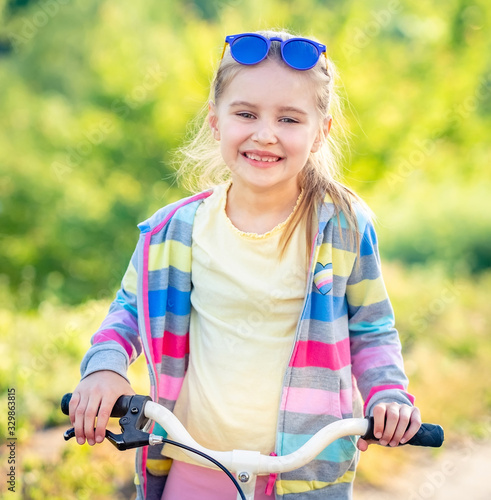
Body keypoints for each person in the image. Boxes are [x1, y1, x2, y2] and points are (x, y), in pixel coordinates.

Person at [69, 29, 421, 500]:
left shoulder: (344, 228)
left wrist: (388, 395)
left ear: (322, 132)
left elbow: (372, 329)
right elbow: (128, 312)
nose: (265, 134)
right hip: (195, 460)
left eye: (290, 118)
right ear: (216, 120)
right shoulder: (174, 230)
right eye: (246, 113)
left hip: (304, 471)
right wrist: (105, 367)